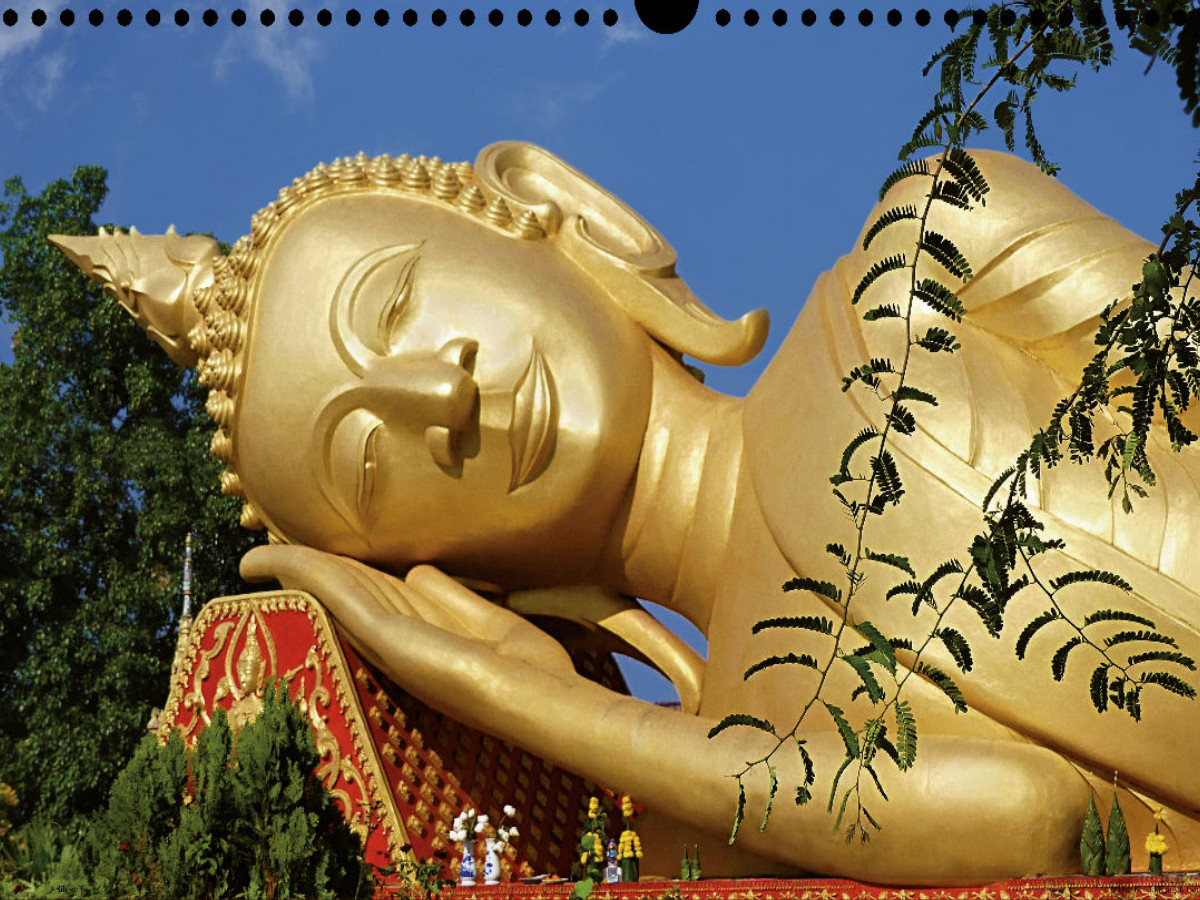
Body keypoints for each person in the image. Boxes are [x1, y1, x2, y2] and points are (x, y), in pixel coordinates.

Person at [51, 142, 1200, 884]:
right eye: (367, 464)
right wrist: (518, 696)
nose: (440, 397)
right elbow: (1035, 822)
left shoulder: (929, 254)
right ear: (449, 583)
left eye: (397, 302)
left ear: (561, 213)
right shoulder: (717, 794)